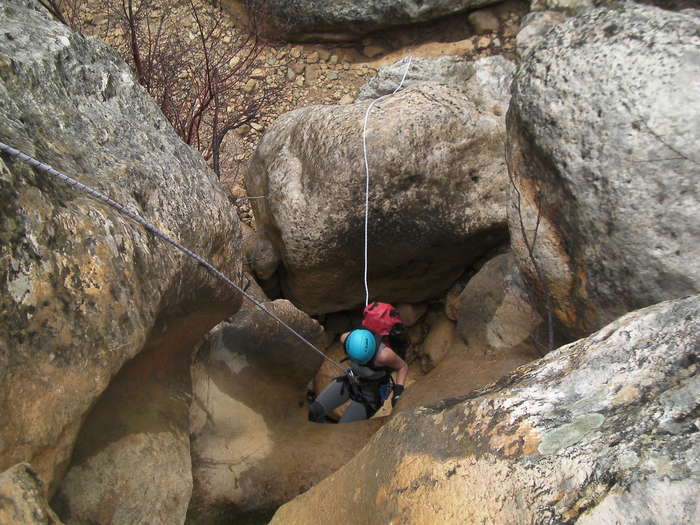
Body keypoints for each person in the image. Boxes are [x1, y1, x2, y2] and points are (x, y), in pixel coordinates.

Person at [309, 328, 408, 423]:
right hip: (351, 381)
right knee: (314, 410)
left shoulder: (384, 356)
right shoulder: (345, 338)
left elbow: (402, 366)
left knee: (343, 429)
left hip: (372, 393)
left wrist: (398, 391)